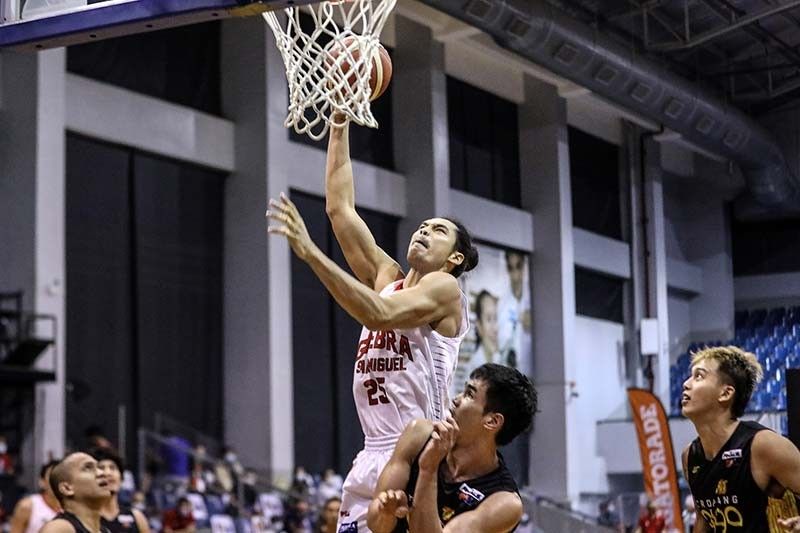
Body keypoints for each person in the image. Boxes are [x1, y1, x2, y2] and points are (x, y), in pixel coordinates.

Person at [267, 119, 478, 532]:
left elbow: (377, 315)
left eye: (438, 232)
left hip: (419, 445)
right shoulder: (388, 278)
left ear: (454, 259)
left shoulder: (446, 289)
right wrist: (340, 123)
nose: (423, 231)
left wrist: (312, 254)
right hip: (373, 449)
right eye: (422, 226)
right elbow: (340, 209)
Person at [366, 363, 537, 533]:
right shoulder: (419, 434)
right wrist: (386, 514)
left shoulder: (504, 502)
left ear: (492, 421)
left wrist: (428, 469)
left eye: (469, 394)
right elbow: (374, 522)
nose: (456, 400)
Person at [680, 345, 800, 531]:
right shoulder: (690, 456)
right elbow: (703, 520)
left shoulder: (763, 445)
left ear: (726, 393)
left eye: (699, 376)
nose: (686, 384)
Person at [40, 452, 113, 533]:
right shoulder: (59, 528)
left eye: (99, 468)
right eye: (88, 467)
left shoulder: (106, 531)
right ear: (67, 488)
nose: (103, 473)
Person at [90, 448, 150, 533]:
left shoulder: (137, 517)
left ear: (121, 479)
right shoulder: (85, 518)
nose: (107, 473)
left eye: (112, 468)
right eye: (101, 468)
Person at [497, 250, 531, 376]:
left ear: (524, 266)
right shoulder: (502, 304)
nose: (515, 274)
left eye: (519, 266)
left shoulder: (536, 298)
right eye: (511, 268)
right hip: (511, 375)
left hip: (535, 373)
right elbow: (501, 345)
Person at [9, 460, 60, 533]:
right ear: (42, 482)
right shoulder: (27, 506)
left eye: (60, 476)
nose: (57, 481)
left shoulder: (73, 508)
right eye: (52, 476)